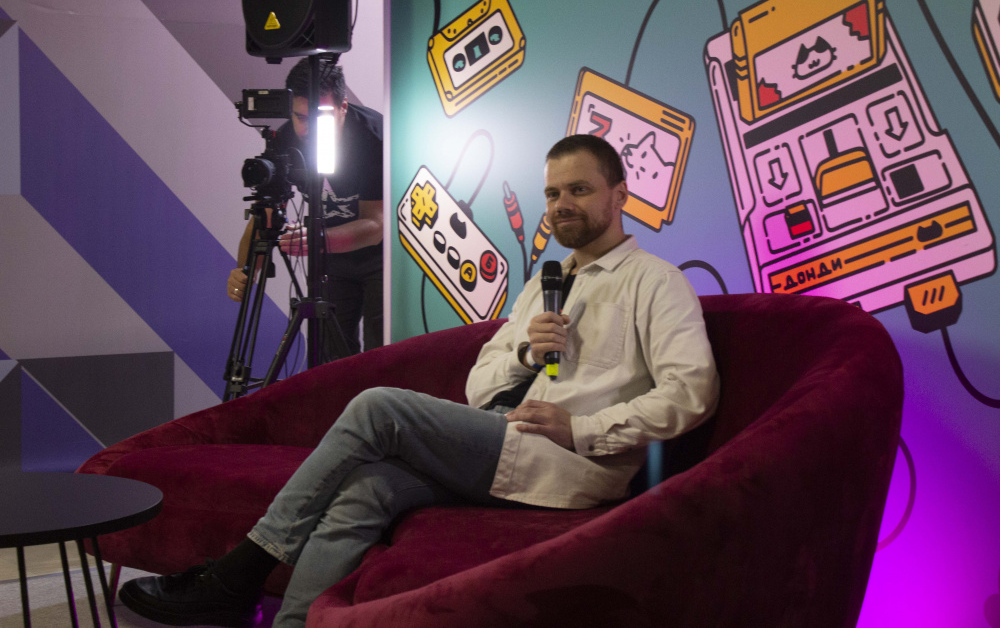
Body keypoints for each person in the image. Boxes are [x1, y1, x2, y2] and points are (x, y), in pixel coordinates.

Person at [121, 134, 720, 628]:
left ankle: (238, 573)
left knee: (378, 407)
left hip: (569, 466)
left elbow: (692, 393)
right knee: (366, 488)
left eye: (579, 190)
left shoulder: (655, 282)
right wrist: (524, 355)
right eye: (553, 193)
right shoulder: (544, 285)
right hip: (500, 438)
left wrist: (580, 427)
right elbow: (480, 386)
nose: (562, 204)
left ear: (620, 195)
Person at [227, 58, 384, 356]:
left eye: (321, 116)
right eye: (301, 117)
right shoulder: (286, 140)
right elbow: (265, 216)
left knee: (382, 356)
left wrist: (317, 240)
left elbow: (377, 225)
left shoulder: (374, 136)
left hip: (383, 258)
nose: (310, 128)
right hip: (330, 257)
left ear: (343, 107)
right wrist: (244, 271)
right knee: (332, 360)